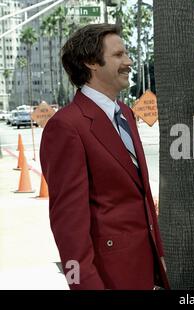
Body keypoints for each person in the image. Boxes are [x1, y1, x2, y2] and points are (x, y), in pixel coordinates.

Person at [40, 24, 169, 290]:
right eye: (119, 55)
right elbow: (69, 226)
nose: (129, 61)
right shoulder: (67, 126)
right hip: (107, 277)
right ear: (91, 63)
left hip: (145, 269)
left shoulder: (124, 113)